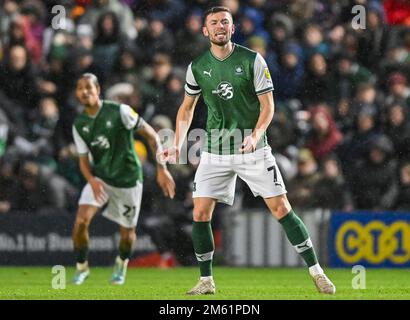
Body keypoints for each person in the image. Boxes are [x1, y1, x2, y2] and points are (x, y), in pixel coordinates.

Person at [160, 6, 335, 295]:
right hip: (215, 150)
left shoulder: (252, 60)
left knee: (281, 208)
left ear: (232, 28)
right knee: (200, 213)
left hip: (251, 148)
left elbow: (268, 107)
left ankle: (317, 272)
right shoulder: (197, 67)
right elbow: (186, 109)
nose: (219, 26)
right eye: (214, 22)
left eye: (225, 22)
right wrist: (177, 143)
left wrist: (256, 135)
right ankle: (206, 281)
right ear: (205, 31)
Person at [71, 73, 175, 285]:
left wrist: (161, 168)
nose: (85, 92)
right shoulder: (79, 124)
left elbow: (151, 135)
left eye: (89, 88)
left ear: (98, 90)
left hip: (128, 180)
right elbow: (83, 161)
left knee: (127, 234)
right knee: (81, 222)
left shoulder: (120, 111)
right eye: (80, 88)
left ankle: (121, 264)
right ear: (76, 93)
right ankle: (82, 268)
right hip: (101, 179)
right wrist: (91, 180)